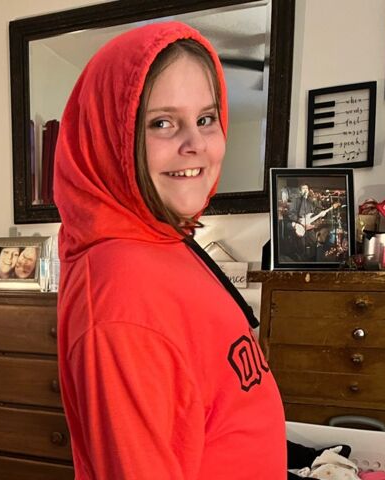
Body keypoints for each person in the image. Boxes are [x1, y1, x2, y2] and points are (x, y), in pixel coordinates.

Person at [53, 21, 286, 479]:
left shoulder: (165, 241)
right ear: (110, 139)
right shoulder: (121, 299)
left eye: (206, 119)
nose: (195, 144)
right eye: (162, 123)